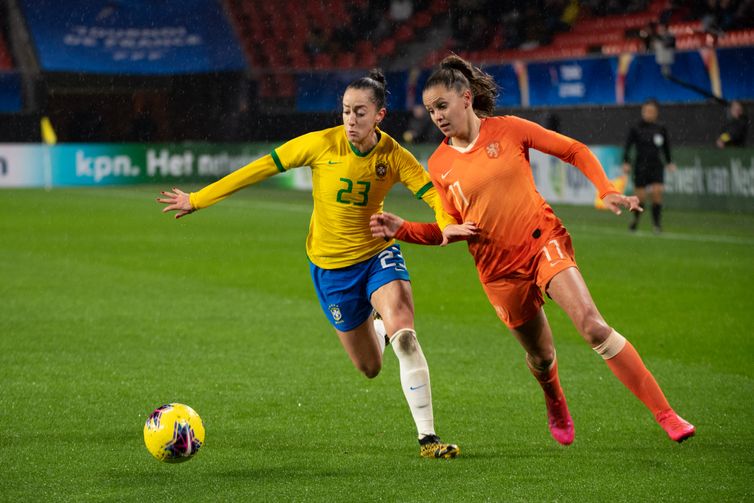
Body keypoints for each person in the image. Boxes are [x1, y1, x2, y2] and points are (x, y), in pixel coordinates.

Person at [370, 55, 695, 446]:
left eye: (442, 105)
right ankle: (554, 396)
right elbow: (447, 230)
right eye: (430, 110)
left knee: (592, 325)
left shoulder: (508, 130)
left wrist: (605, 188)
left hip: (542, 241)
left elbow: (573, 150)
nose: (436, 116)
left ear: (466, 98)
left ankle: (666, 413)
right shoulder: (439, 164)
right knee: (541, 357)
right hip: (498, 270)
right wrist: (402, 228)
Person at [157, 70, 459, 459]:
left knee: (406, 335)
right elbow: (262, 167)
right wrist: (199, 199)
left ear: (380, 115)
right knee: (370, 367)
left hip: (376, 254)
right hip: (331, 271)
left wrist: (448, 225)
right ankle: (377, 327)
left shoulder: (394, 157)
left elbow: (433, 196)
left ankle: (428, 439)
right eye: (346, 111)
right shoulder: (320, 144)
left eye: (360, 113)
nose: (350, 120)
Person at [622, 99, 676, 234]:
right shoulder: (635, 128)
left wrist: (669, 162)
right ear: (642, 112)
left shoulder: (661, 128)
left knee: (657, 194)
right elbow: (627, 147)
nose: (648, 114)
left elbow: (666, 147)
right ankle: (635, 221)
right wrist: (626, 162)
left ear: (656, 113)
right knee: (640, 199)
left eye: (651, 111)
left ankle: (656, 225)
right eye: (646, 111)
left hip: (656, 165)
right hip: (640, 166)